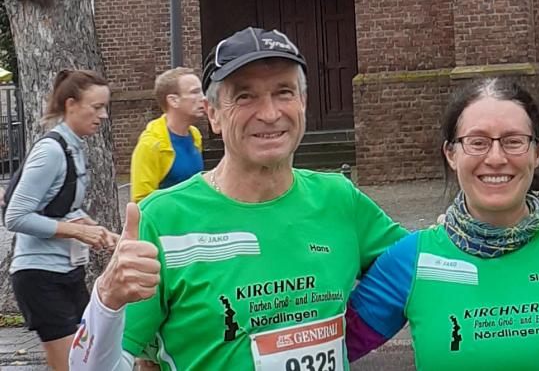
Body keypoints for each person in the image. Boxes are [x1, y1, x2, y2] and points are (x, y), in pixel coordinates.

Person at [70, 27, 408, 370]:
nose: (270, 113)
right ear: (213, 114)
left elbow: (419, 270)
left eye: (284, 92)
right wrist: (107, 299)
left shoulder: (339, 199)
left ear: (303, 103)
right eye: (245, 96)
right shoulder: (161, 219)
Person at [344, 78, 539, 369]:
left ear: (537, 152)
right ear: (451, 154)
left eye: (513, 141)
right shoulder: (411, 260)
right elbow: (323, 347)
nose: (496, 158)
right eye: (477, 142)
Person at [4, 69, 118, 371]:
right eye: (96, 107)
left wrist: (96, 229)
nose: (103, 115)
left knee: (90, 361)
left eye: (105, 107)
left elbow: (59, 209)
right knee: (72, 367)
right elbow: (15, 217)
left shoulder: (74, 147)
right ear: (70, 105)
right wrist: (76, 233)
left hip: (68, 273)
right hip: (40, 277)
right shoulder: (51, 151)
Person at [129, 67, 205, 203]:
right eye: (195, 92)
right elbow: (142, 201)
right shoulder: (150, 145)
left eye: (201, 92)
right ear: (173, 100)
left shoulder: (195, 135)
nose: (203, 98)